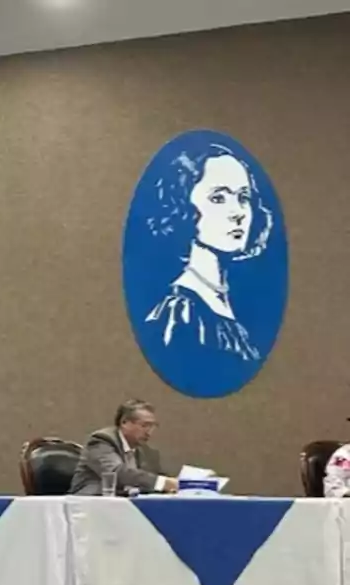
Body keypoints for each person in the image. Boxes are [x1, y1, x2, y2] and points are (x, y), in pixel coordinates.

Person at [142, 143, 276, 362]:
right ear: (183, 207)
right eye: (218, 198)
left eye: (243, 197)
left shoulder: (228, 303)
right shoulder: (180, 313)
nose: (238, 213)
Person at [69, 400, 179, 496]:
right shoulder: (101, 441)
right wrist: (163, 483)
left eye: (153, 426)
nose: (149, 432)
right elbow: (116, 472)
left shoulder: (147, 452)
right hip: (92, 504)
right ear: (124, 422)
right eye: (145, 425)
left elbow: (156, 478)